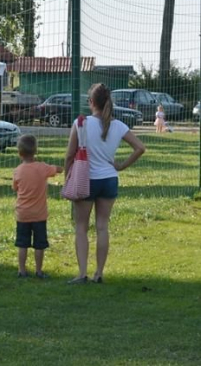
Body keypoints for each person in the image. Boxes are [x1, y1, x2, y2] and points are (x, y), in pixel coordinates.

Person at [65, 83, 145, 284]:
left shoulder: (81, 123)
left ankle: (82, 273)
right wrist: (120, 166)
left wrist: (67, 180)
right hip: (109, 179)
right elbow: (140, 148)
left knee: (81, 226)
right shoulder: (118, 125)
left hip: (85, 180)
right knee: (102, 227)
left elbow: (69, 156)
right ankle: (99, 273)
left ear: (91, 102)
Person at [12, 135, 63, 278]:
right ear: (36, 151)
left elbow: (15, 188)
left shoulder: (18, 171)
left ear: (19, 153)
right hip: (39, 214)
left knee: (22, 243)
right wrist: (62, 168)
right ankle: (39, 271)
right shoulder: (43, 168)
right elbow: (56, 169)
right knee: (39, 244)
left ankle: (21, 270)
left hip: (23, 214)